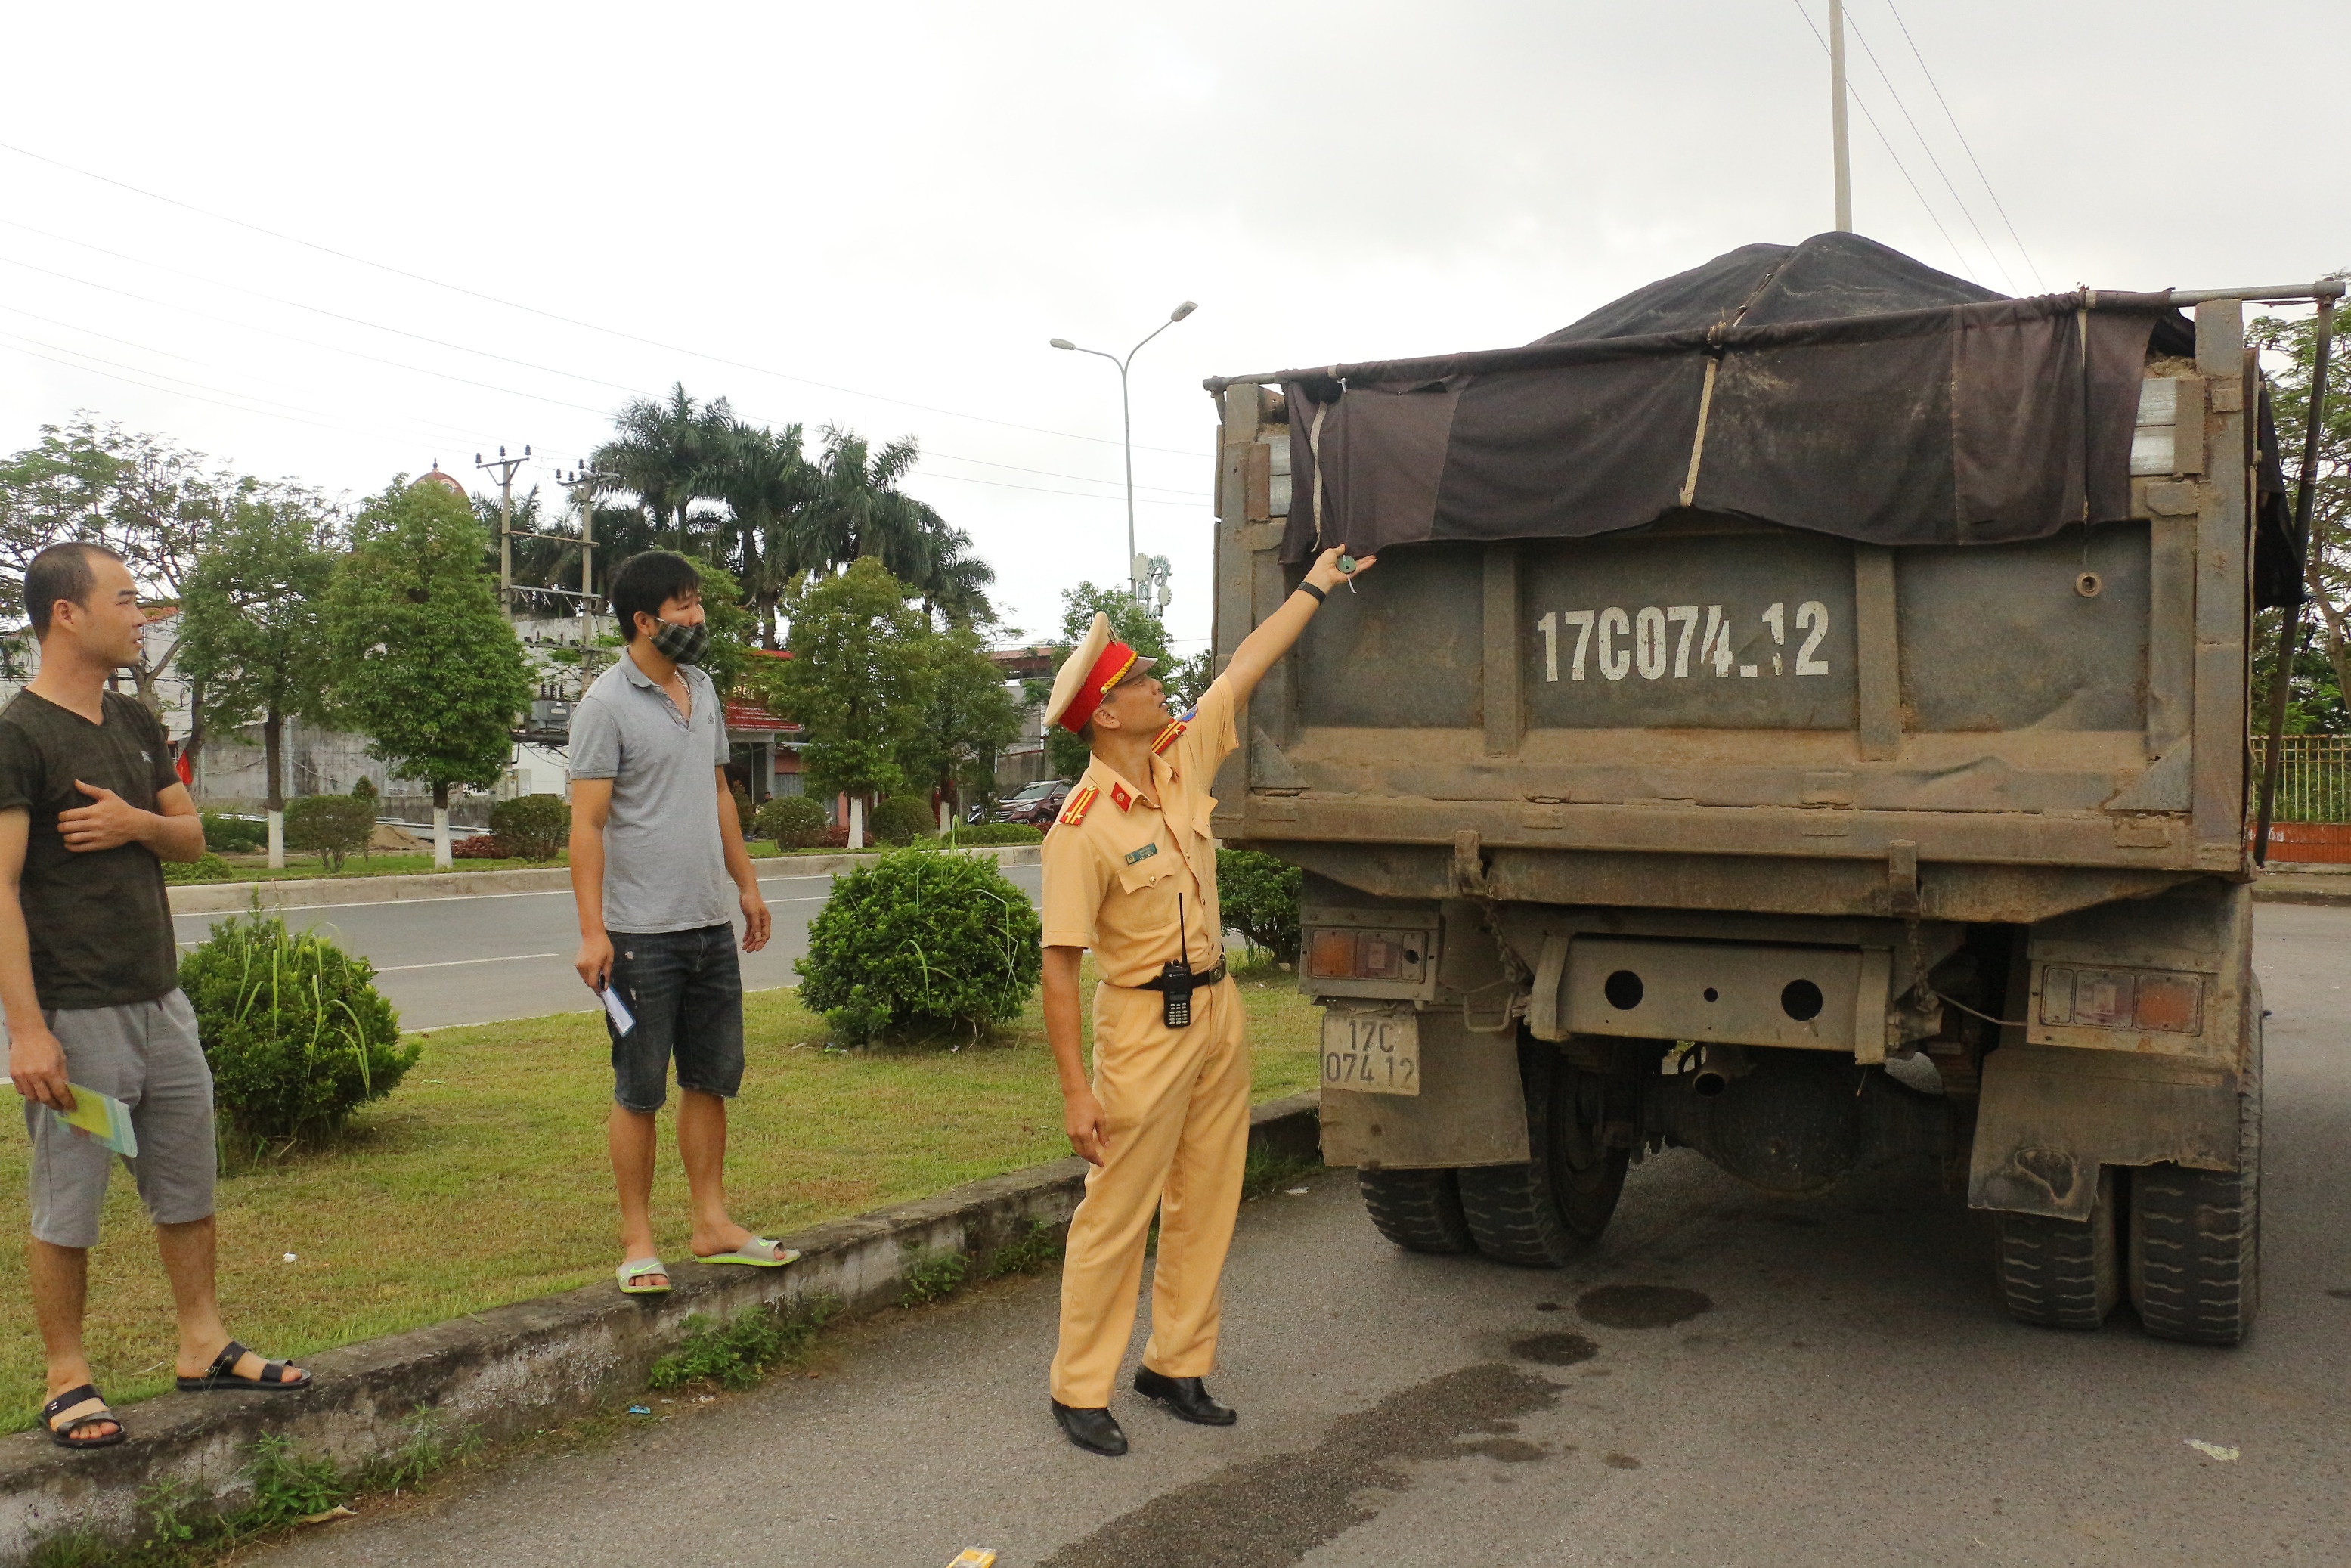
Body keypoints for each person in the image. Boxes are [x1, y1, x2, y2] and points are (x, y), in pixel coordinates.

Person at [1040, 544, 1376, 1457]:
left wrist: (1314, 584)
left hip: (1216, 1014)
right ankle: (1079, 1385)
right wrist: (1077, 1090)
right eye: (1143, 682)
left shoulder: (1179, 759)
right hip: (1142, 1026)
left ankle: (1175, 1364)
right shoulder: (1080, 828)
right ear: (1105, 710)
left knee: (1205, 1196)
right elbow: (1060, 967)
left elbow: (1247, 664)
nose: (1160, 688)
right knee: (1116, 1208)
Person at [1, 542, 311, 1452]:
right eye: (128, 599)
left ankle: (202, 1341)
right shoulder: (19, 735)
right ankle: (67, 1378)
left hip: (159, 997)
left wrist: (135, 822)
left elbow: (191, 836)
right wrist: (26, 1029)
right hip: (74, 1010)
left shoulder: (135, 722)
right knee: (71, 1198)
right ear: (68, 612)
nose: (142, 616)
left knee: (187, 1179)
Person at [568, 550, 795, 1297]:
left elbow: (720, 793)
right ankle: (638, 1241)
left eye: (698, 604)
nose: (699, 619)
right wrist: (592, 931)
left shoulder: (701, 686)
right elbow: (588, 825)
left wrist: (748, 885)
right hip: (638, 936)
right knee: (639, 1088)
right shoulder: (605, 705)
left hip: (706, 927)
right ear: (644, 620)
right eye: (686, 606)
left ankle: (711, 1224)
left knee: (709, 1080)